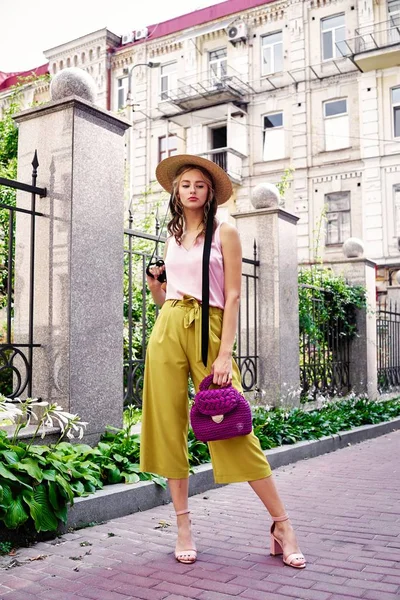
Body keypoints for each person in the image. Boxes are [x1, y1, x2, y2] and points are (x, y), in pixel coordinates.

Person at [140, 154, 306, 569]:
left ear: (210, 192)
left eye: (199, 184)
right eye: (185, 185)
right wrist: (157, 289)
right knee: (166, 425)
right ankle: (182, 525)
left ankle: (282, 524)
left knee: (231, 425)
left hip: (210, 332)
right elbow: (169, 297)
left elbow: (232, 296)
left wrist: (225, 352)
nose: (192, 190)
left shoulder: (225, 232)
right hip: (169, 327)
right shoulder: (172, 236)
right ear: (176, 193)